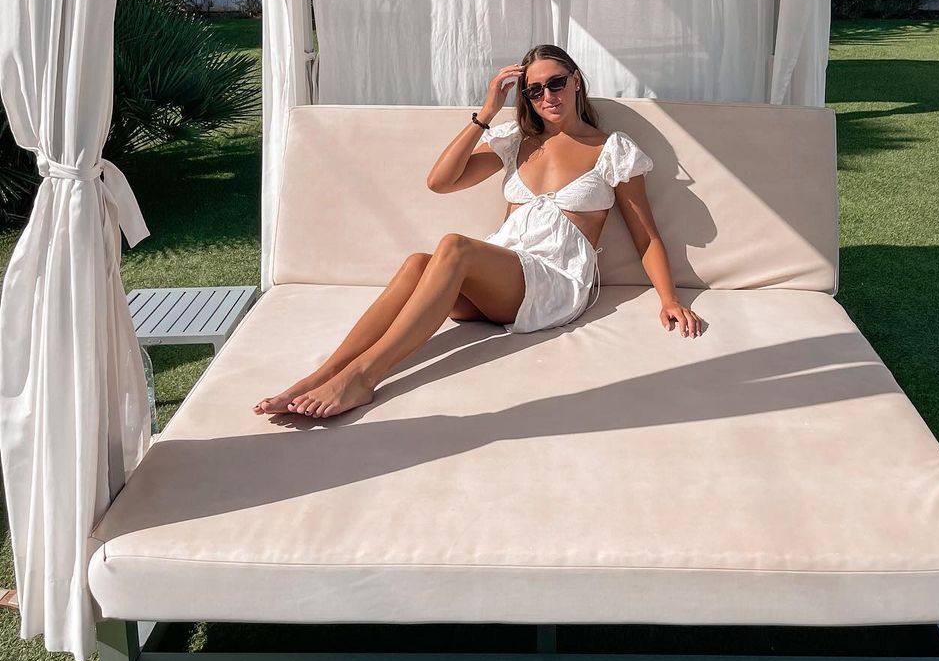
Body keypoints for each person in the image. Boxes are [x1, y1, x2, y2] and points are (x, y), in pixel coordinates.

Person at [253, 44, 700, 421]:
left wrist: (669, 299)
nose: (548, 95)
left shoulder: (612, 149)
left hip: (553, 285)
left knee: (454, 246)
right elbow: (440, 181)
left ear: (576, 81)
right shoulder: (517, 141)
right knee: (418, 264)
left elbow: (646, 235)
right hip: (500, 281)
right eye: (535, 90)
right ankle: (319, 376)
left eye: (556, 83)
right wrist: (486, 112)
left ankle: (362, 377)